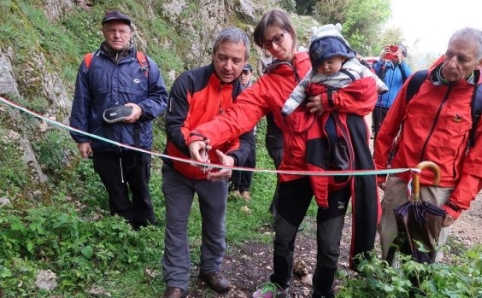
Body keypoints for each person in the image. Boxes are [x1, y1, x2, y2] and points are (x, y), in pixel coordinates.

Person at [187, 9, 379, 298]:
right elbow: (238, 115)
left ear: (291, 32)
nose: (275, 47)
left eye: (279, 38)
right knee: (283, 233)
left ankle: (323, 291)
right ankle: (279, 283)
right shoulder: (267, 84)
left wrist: (330, 99)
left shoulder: (329, 60)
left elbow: (368, 94)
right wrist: (203, 135)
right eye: (268, 44)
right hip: (296, 168)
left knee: (328, 244)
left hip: (335, 169)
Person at [374, 27, 482, 262]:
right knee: (388, 240)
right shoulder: (419, 81)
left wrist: (456, 205)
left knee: (425, 254)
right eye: (449, 54)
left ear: (481, 62)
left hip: (439, 189)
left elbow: (479, 160)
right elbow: (389, 127)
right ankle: (383, 287)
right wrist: (381, 168)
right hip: (402, 178)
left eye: (463, 59)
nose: (451, 63)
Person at [160, 27, 252, 298]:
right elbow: (175, 124)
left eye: (236, 61)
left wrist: (232, 159)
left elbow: (246, 139)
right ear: (212, 54)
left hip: (215, 174)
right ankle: (176, 281)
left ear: (245, 62)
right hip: (178, 169)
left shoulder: (246, 97)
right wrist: (190, 145)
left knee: (215, 224)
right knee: (176, 225)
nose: (228, 66)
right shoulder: (188, 81)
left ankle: (211, 269)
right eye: (222, 57)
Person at [69, 10, 168, 230]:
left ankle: (145, 226)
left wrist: (141, 109)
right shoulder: (89, 64)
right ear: (103, 32)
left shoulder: (146, 64)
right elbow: (81, 103)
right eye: (111, 30)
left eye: (122, 31)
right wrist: (81, 138)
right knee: (114, 186)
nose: (117, 35)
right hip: (102, 139)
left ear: (130, 33)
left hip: (137, 140)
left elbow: (161, 98)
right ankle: (122, 227)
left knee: (140, 185)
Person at [281, 23, 387, 116]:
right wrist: (288, 107)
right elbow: (300, 89)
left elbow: (370, 78)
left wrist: (380, 86)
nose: (325, 67)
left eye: (330, 62)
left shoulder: (355, 66)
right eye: (319, 64)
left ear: (342, 57)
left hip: (349, 116)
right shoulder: (313, 74)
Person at [371, 44, 412, 139]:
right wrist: (382, 59)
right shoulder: (384, 64)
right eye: (394, 51)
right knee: (378, 133)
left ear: (403, 55)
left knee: (391, 134)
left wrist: (401, 62)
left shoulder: (404, 68)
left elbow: (410, 78)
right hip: (379, 105)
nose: (396, 54)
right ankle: (377, 153)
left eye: (399, 52)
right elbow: (374, 72)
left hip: (394, 107)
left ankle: (389, 154)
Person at [230, 63, 256, 200]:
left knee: (250, 160)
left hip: (251, 129)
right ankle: (235, 187)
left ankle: (245, 189)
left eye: (246, 73)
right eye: (241, 73)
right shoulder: (234, 88)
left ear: (251, 73)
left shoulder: (255, 89)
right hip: (235, 129)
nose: (243, 76)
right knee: (237, 157)